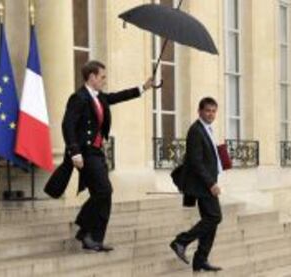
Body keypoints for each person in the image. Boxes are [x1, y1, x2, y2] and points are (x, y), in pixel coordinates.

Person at [62, 60, 153, 252]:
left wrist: (143, 88)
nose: (104, 80)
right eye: (102, 77)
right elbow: (68, 125)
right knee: (104, 191)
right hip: (85, 153)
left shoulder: (99, 97)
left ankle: (93, 237)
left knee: (103, 194)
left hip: (97, 152)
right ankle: (85, 230)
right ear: (92, 77)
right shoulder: (78, 98)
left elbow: (117, 97)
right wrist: (74, 151)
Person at [170, 97, 223, 272]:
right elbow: (196, 161)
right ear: (199, 111)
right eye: (208, 110)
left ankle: (200, 260)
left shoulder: (206, 129)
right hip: (202, 185)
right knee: (214, 217)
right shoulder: (196, 130)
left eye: (214, 111)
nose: (211, 114)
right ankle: (181, 241)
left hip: (207, 183)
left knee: (212, 220)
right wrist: (211, 184)